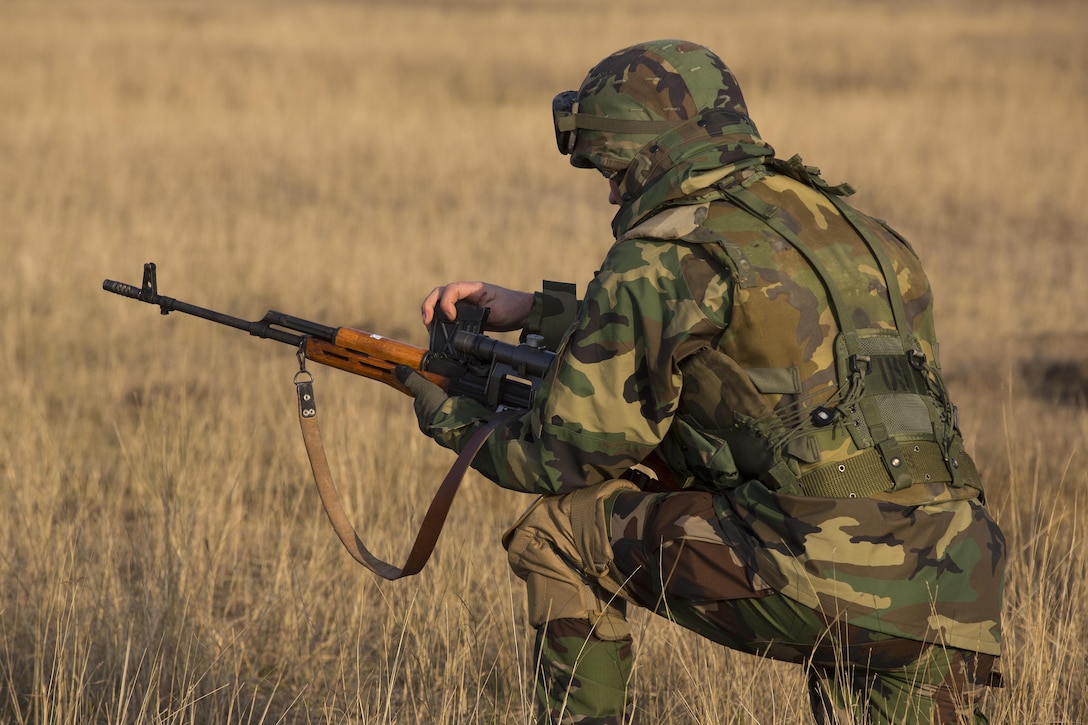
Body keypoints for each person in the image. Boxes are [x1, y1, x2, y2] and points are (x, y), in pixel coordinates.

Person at [395, 39, 1005, 724]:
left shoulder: (664, 254)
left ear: (655, 151)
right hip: (962, 579)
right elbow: (765, 331)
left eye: (613, 167)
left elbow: (564, 455)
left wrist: (453, 416)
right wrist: (539, 310)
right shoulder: (861, 232)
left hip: (835, 578)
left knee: (557, 532)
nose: (609, 189)